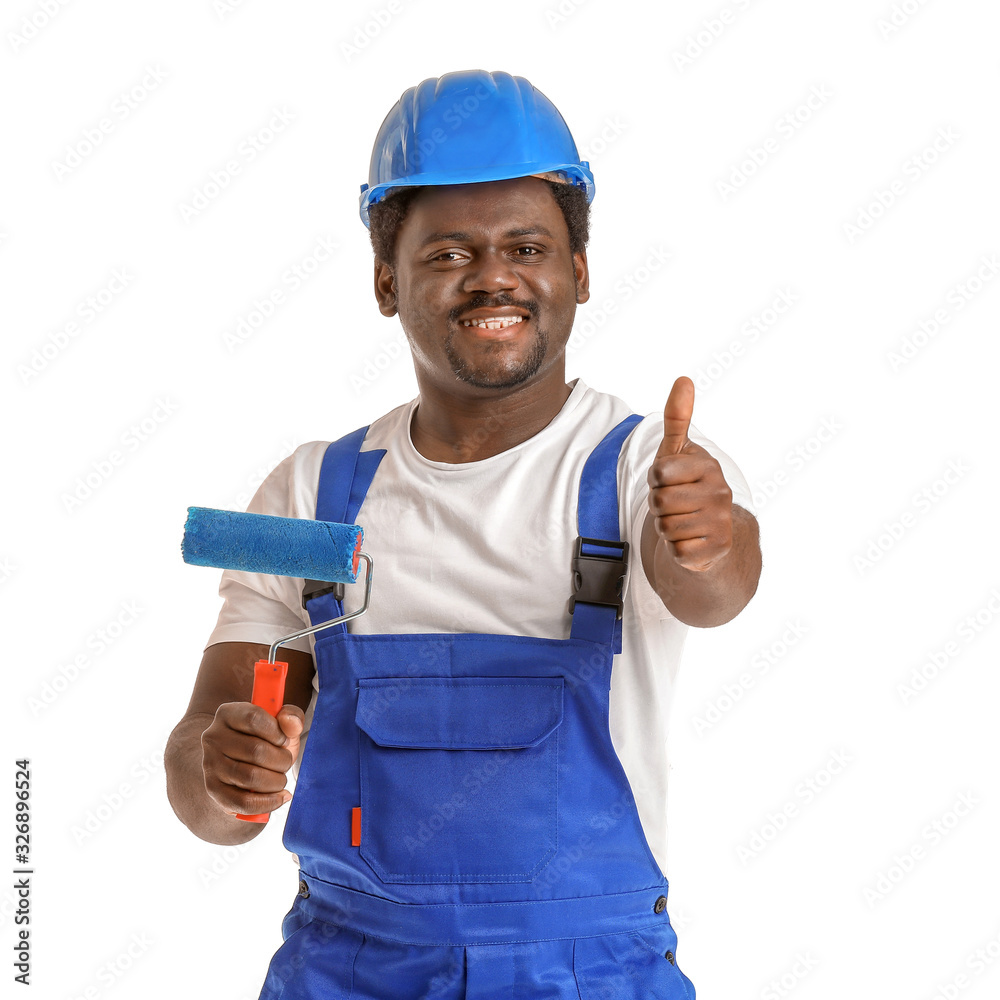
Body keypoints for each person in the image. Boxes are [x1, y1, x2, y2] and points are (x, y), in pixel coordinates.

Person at [165, 69, 761, 999]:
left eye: (529, 245)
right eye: (447, 253)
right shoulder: (309, 498)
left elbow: (715, 590)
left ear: (581, 272)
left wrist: (706, 540)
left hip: (589, 972)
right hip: (347, 967)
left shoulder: (645, 468)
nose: (494, 275)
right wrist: (223, 771)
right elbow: (211, 794)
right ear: (384, 282)